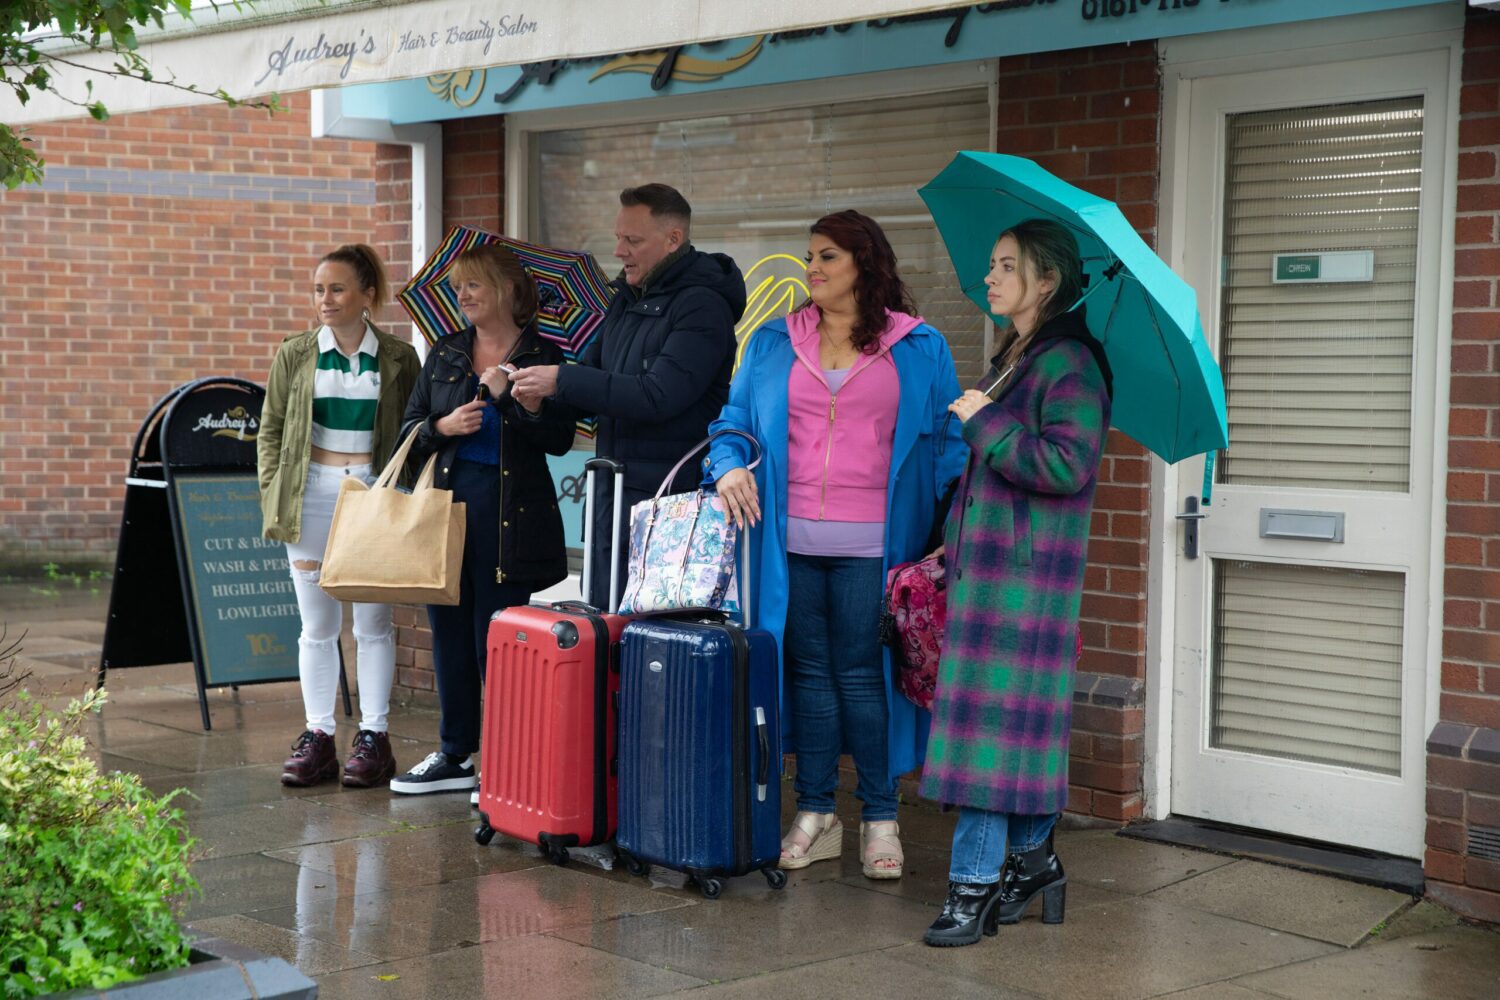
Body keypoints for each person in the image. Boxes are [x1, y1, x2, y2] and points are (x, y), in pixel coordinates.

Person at [708, 210, 966, 880]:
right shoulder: (770, 341)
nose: (812, 270)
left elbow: (946, 445)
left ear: (864, 263)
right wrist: (728, 464)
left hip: (874, 547)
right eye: (809, 258)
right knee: (808, 676)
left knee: (860, 675)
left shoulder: (919, 346)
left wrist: (945, 533)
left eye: (827, 257)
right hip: (784, 547)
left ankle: (881, 817)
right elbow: (732, 422)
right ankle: (816, 813)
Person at [919, 219, 1113, 946]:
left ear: (1047, 280)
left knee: (988, 744)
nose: (991, 277)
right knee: (1014, 733)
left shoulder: (1072, 365)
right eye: (993, 263)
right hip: (999, 578)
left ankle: (971, 889)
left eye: (1006, 266)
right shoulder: (1022, 354)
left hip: (1024, 586)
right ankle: (1031, 862)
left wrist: (987, 421)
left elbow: (1066, 466)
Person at [390, 243, 574, 795]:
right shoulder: (446, 352)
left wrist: (516, 401)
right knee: (447, 633)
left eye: (473, 285)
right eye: (459, 287)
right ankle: (456, 753)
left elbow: (560, 438)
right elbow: (408, 432)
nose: (463, 295)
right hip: (446, 507)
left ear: (508, 291)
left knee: (497, 640)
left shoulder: (544, 354)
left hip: (508, 515)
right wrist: (442, 428)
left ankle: (510, 759)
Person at [509, 183, 745, 609]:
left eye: (632, 240)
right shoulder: (625, 298)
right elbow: (594, 383)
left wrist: (561, 379)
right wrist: (535, 399)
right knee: (603, 635)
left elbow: (657, 396)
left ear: (673, 239)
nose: (619, 250)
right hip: (611, 498)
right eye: (618, 237)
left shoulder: (703, 306)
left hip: (670, 508)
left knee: (652, 645)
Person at [258, 244, 421, 788]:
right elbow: (272, 431)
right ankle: (318, 737)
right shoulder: (296, 353)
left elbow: (412, 431)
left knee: (373, 623)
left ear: (367, 295)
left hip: (373, 499)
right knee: (318, 626)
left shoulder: (398, 358)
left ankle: (373, 738)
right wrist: (273, 494)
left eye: (337, 289)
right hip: (311, 498)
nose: (324, 300)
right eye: (318, 290)